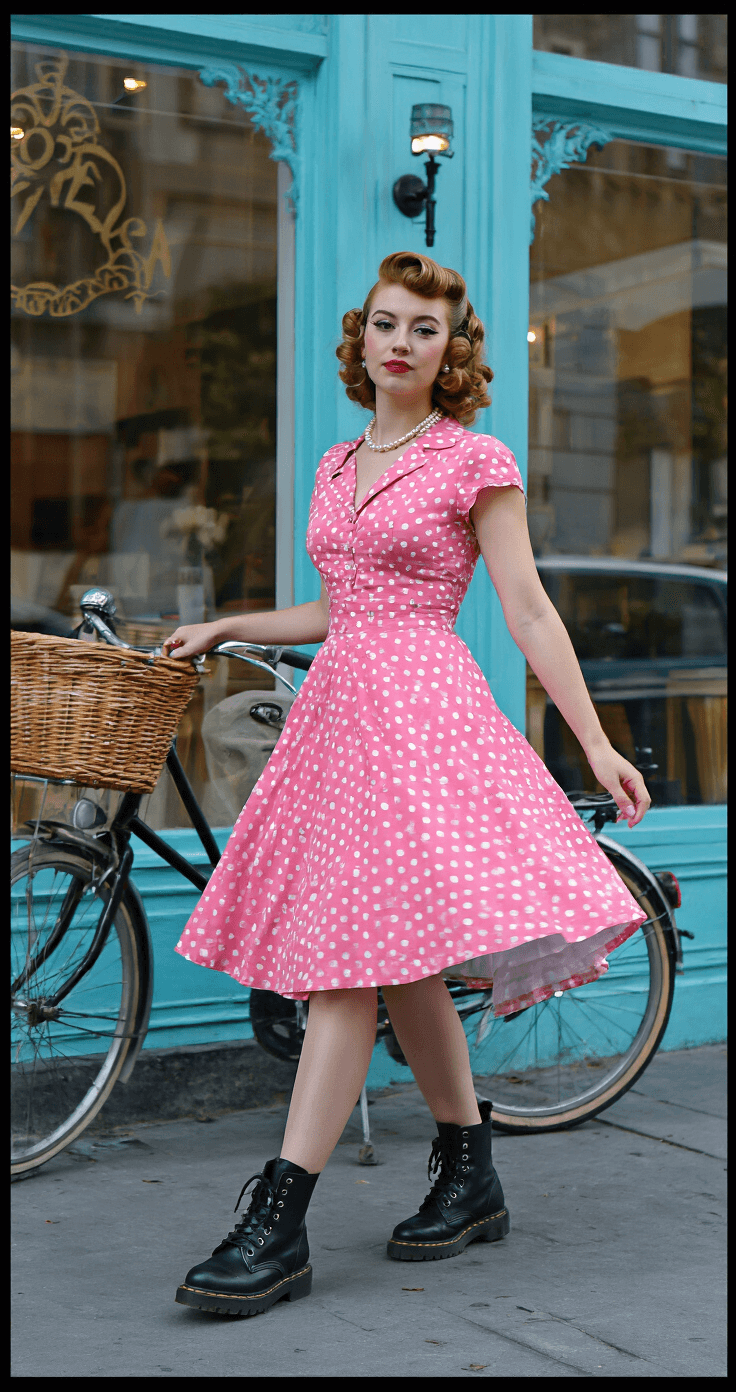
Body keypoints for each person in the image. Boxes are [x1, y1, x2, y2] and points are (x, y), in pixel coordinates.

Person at [161, 251, 650, 1319]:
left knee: (349, 967)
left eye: (423, 330)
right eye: (386, 324)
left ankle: (278, 1221)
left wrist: (595, 740)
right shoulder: (338, 463)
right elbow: (338, 608)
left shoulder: (473, 460)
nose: (399, 342)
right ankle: (469, 1174)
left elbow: (526, 611)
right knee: (400, 962)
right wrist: (233, 622)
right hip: (341, 716)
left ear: (450, 352)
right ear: (361, 338)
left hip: (422, 717)